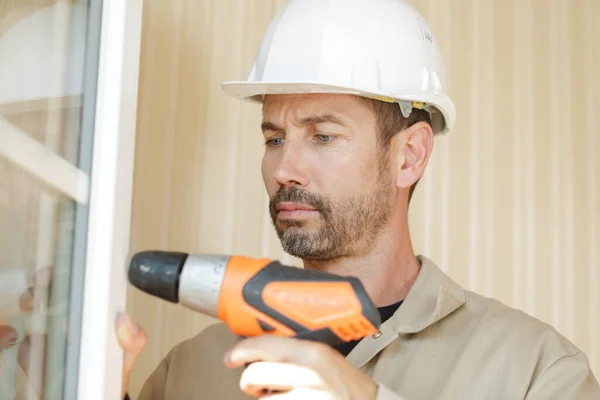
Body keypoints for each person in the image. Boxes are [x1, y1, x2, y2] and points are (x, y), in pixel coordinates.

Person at [117, 0, 600, 398]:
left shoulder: (535, 371)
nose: (285, 169)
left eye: (323, 136)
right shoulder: (190, 371)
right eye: (274, 139)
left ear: (409, 156)